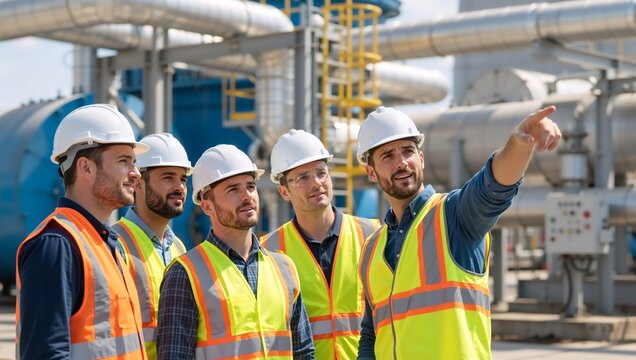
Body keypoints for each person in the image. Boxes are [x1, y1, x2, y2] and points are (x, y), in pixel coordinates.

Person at [356, 105, 562, 359]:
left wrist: (520, 144)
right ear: (371, 172)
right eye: (388, 155)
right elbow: (371, 334)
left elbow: (493, 187)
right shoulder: (371, 250)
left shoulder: (453, 215)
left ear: (421, 158)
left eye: (408, 151)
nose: (401, 162)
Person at [156, 144, 315, 359]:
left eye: (250, 186)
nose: (247, 196)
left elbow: (304, 352)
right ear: (207, 206)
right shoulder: (184, 274)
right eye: (233, 189)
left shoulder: (284, 267)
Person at [16, 104, 150, 359]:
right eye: (124, 161)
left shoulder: (107, 243)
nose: (136, 173)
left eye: (134, 162)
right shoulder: (57, 245)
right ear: (86, 168)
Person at [261, 129, 380, 360]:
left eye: (321, 173)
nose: (316, 183)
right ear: (284, 191)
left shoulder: (372, 234)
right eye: (302, 178)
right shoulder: (268, 251)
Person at [112, 133, 192, 359]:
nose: (179, 187)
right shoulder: (114, 243)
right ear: (137, 182)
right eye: (168, 177)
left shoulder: (179, 248)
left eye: (183, 179)